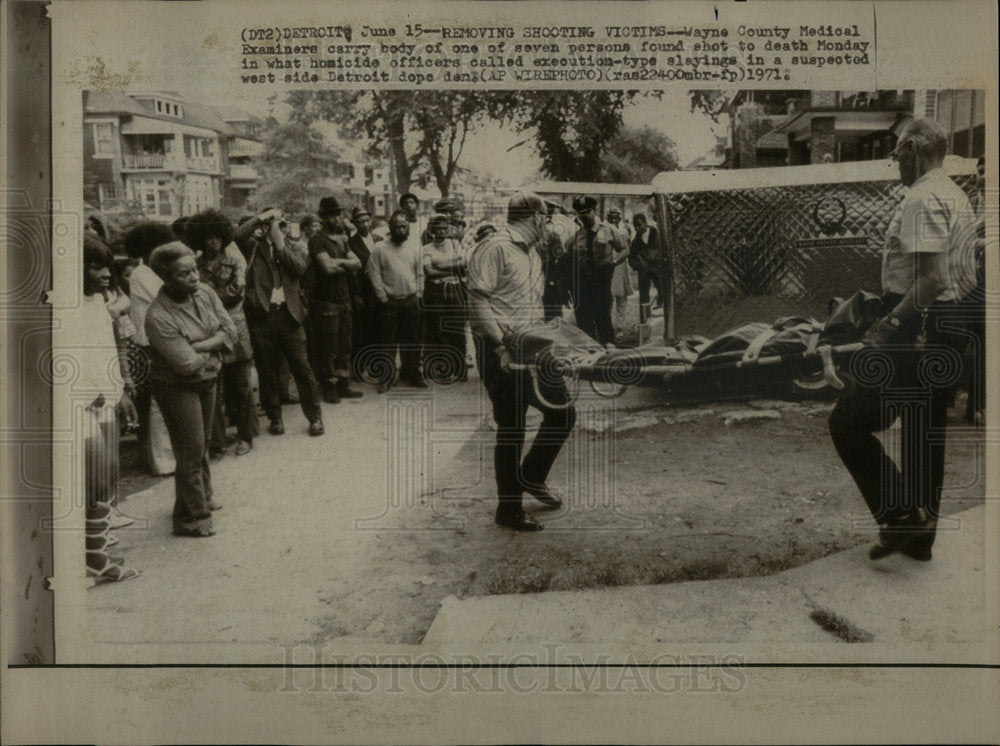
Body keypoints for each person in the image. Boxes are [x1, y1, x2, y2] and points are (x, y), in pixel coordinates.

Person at [828, 118, 978, 562]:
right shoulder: (955, 194)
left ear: (912, 147)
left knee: (848, 422)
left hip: (917, 326)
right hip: (949, 325)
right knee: (923, 434)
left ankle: (899, 517)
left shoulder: (922, 197)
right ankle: (919, 541)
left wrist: (888, 325)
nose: (895, 163)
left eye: (896, 153)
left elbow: (929, 280)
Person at [467, 191, 578, 532]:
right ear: (534, 217)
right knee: (512, 425)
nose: (548, 222)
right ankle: (509, 509)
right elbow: (478, 302)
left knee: (563, 412)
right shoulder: (494, 247)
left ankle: (530, 476)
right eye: (546, 216)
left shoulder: (532, 252)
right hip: (500, 349)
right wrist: (501, 346)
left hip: (530, 347)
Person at [145, 242, 237, 537]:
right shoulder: (158, 316)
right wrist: (215, 343)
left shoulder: (206, 292)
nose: (194, 277)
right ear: (166, 277)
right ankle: (190, 517)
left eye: (194, 269)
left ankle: (204, 495)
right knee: (190, 449)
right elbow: (185, 364)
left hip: (207, 378)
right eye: (184, 274)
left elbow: (232, 330)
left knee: (203, 443)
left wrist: (199, 345)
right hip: (177, 387)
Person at [81, 235, 141, 582]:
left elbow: (108, 348)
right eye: (95, 266)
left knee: (106, 480)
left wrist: (121, 392)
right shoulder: (64, 305)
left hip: (105, 397)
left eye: (107, 266)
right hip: (79, 403)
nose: (105, 273)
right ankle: (91, 558)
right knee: (94, 478)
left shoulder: (98, 301)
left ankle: (97, 556)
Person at [235, 207, 325, 437]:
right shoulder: (252, 248)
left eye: (282, 224)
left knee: (303, 368)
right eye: (274, 224)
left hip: (290, 315)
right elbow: (236, 236)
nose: (279, 228)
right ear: (263, 227)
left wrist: (281, 244)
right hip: (263, 317)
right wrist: (260, 219)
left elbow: (300, 269)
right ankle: (275, 418)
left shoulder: (293, 247)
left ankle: (315, 418)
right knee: (267, 371)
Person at [186, 209, 259, 457]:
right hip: (207, 333)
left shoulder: (235, 260)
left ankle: (245, 436)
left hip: (234, 330)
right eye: (208, 237)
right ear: (200, 239)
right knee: (211, 389)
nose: (214, 241)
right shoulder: (193, 266)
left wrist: (206, 299)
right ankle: (216, 442)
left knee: (241, 387)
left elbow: (236, 291)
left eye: (218, 236)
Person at [123, 222, 177, 476]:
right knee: (156, 405)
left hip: (155, 343)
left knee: (159, 403)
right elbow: (168, 296)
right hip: (148, 345)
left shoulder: (149, 273)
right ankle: (161, 459)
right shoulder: (142, 274)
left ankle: (162, 456)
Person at [307, 196, 364, 403]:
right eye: (331, 215)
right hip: (326, 301)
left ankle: (343, 384)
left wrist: (337, 262)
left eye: (338, 214)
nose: (336, 218)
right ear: (322, 217)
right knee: (329, 347)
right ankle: (329, 385)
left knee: (344, 347)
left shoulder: (343, 238)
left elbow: (357, 263)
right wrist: (343, 264)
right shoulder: (316, 239)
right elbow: (327, 268)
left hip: (344, 300)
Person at [366, 209, 426, 391]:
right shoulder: (379, 249)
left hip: (410, 300)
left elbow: (420, 273)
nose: (401, 230)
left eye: (404, 226)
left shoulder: (414, 247)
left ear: (408, 228)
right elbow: (374, 275)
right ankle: (386, 378)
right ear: (390, 228)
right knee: (387, 343)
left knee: (413, 342)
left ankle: (413, 375)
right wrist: (383, 298)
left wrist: (418, 294)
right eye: (397, 227)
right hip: (390, 302)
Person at [570, 195, 629, 345]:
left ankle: (608, 351)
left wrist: (615, 261)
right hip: (583, 282)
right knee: (583, 319)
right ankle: (589, 351)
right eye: (581, 213)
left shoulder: (609, 230)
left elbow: (625, 249)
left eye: (587, 212)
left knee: (603, 317)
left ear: (594, 211)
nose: (584, 216)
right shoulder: (578, 235)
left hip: (601, 280)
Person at [422, 213, 469, 383]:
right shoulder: (427, 248)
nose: (441, 232)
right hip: (436, 291)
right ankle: (442, 368)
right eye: (437, 229)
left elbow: (464, 263)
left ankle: (460, 368)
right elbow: (429, 272)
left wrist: (441, 265)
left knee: (457, 329)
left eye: (444, 228)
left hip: (454, 289)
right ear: (431, 230)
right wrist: (452, 268)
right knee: (439, 329)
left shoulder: (455, 244)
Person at [347, 206, 379, 379]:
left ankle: (376, 365)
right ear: (355, 224)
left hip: (379, 291)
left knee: (377, 330)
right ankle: (358, 367)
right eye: (360, 221)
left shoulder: (380, 240)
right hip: (363, 291)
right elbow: (352, 272)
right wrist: (356, 294)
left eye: (367, 220)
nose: (364, 224)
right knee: (361, 330)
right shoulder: (351, 243)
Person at [628, 213, 663, 312]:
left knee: (662, 290)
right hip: (644, 271)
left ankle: (662, 311)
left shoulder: (657, 236)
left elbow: (664, 251)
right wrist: (638, 265)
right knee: (643, 296)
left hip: (657, 269)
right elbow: (631, 256)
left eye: (640, 225)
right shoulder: (636, 241)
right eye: (635, 226)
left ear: (645, 223)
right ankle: (645, 317)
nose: (637, 228)